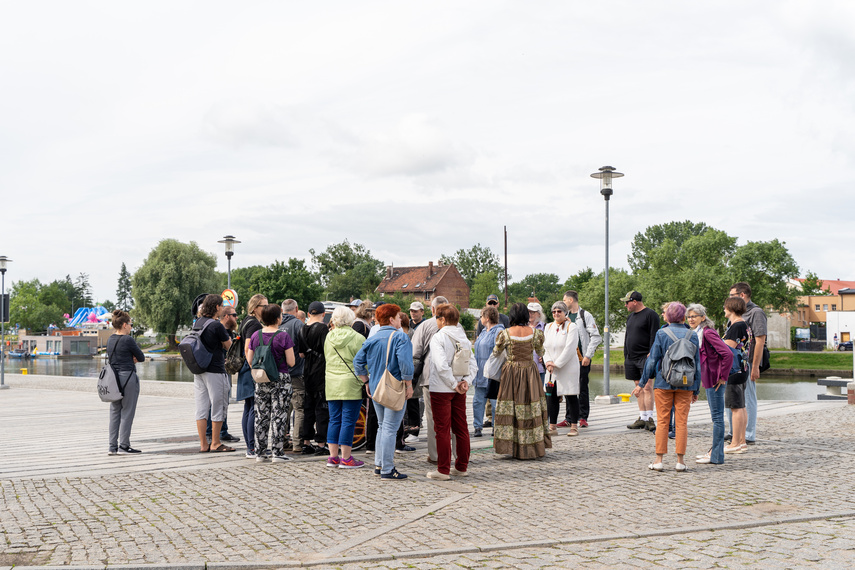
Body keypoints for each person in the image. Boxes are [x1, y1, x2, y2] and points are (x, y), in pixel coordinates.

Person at [633, 302, 700, 472]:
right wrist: (696, 389)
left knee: (663, 421)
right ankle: (680, 462)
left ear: (668, 317)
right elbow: (697, 365)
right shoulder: (692, 335)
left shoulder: (662, 333)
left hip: (664, 383)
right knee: (682, 422)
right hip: (685, 384)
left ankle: (659, 460)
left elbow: (652, 360)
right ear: (683, 317)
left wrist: (641, 384)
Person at [353, 303, 414, 480]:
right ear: (391, 319)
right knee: (389, 427)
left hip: (375, 386)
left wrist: (366, 381)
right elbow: (405, 364)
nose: (400, 319)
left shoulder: (371, 338)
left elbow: (358, 361)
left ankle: (379, 464)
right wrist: (409, 385)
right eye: (398, 316)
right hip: (394, 386)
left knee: (382, 426)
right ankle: (387, 468)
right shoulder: (400, 337)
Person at [492, 302, 551, 459]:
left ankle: (511, 446)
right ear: (526, 315)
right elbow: (541, 351)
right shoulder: (536, 333)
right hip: (530, 373)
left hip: (511, 372)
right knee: (530, 406)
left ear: (511, 316)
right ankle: (532, 446)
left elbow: (496, 351)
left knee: (510, 406)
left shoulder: (505, 333)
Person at [427, 304, 476, 480]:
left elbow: (441, 366)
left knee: (442, 429)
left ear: (442, 319)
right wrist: (465, 382)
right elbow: (473, 365)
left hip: (442, 388)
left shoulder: (438, 338)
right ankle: (462, 466)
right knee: (461, 426)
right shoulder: (464, 338)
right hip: (460, 388)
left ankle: (443, 469)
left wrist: (453, 383)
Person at [246, 303, 296, 463]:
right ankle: (277, 452)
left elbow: (249, 359)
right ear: (277, 318)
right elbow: (291, 362)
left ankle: (260, 452)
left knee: (261, 415)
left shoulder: (256, 336)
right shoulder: (283, 336)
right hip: (280, 379)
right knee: (279, 415)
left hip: (261, 379)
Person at [411, 296, 456, 464]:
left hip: (431, 377)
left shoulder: (424, 326)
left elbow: (415, 353)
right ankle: (456, 453)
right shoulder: (457, 326)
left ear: (432, 310)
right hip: (453, 377)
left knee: (433, 418)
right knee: (453, 416)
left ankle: (435, 454)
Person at [687, 303, 732, 465]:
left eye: (694, 316)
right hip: (709, 379)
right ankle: (715, 453)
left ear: (703, 317)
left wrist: (722, 377)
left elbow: (727, 354)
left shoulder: (707, 333)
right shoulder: (697, 333)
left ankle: (717, 456)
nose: (691, 319)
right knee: (716, 417)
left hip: (715, 380)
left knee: (717, 418)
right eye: (689, 317)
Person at [323, 306, 367, 469]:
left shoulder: (329, 337)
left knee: (334, 419)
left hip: (332, 382)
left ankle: (333, 457)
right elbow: (363, 362)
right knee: (348, 421)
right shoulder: (357, 337)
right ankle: (346, 458)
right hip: (351, 382)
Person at [192, 294, 235, 453]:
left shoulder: (198, 322)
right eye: (222, 305)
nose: (223, 308)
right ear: (217, 307)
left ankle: (204, 444)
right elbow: (229, 346)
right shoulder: (216, 326)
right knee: (218, 406)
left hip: (199, 369)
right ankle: (216, 442)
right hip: (215, 370)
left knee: (201, 408)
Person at [728, 282, 766, 445]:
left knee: (748, 396)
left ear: (741, 295)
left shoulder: (756, 312)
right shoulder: (736, 313)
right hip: (734, 363)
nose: (729, 299)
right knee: (733, 398)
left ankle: (748, 433)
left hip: (747, 361)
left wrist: (755, 366)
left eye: (732, 295)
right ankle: (733, 431)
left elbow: (760, 340)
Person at [560, 290, 602, 428]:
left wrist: (588, 355)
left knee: (582, 387)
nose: (563, 302)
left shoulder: (585, 315)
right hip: (568, 358)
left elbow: (596, 337)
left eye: (564, 300)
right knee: (568, 388)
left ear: (571, 300)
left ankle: (583, 417)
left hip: (581, 358)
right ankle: (569, 417)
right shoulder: (564, 316)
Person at [106, 310, 145, 455]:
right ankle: (124, 445)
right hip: (128, 377)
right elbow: (141, 357)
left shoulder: (110, 339)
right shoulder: (128, 340)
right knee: (127, 412)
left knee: (115, 411)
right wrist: (132, 358)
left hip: (113, 379)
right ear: (124, 325)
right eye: (130, 324)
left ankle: (112, 447)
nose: (131, 327)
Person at [622, 291, 660, 432]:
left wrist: (652, 353)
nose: (626, 305)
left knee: (647, 387)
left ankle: (649, 418)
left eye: (627, 302)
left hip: (645, 356)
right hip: (631, 357)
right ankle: (642, 417)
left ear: (635, 301)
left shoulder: (651, 315)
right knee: (638, 387)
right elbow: (627, 336)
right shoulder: (630, 317)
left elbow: (654, 335)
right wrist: (626, 354)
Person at [543, 301, 581, 436]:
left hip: (567, 366)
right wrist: (548, 362)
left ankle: (574, 426)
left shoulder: (572, 327)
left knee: (571, 395)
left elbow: (570, 348)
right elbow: (545, 347)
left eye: (559, 311)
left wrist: (557, 364)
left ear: (565, 313)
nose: (556, 314)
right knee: (551, 396)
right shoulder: (548, 327)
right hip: (551, 368)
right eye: (554, 311)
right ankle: (552, 426)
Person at [237, 294, 267, 458]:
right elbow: (249, 346)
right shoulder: (254, 324)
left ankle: (250, 446)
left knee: (248, 407)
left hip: (244, 369)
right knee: (253, 408)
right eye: (264, 306)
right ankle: (252, 447)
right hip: (251, 369)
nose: (266, 309)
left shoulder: (245, 320)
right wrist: (255, 369)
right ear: (255, 308)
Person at [205, 306, 240, 444]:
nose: (236, 318)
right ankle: (211, 432)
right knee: (214, 402)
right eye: (234, 315)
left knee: (223, 403)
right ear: (226, 316)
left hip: (224, 370)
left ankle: (222, 431)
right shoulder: (218, 330)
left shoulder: (229, 332)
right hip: (217, 371)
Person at [300, 301, 330, 454]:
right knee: (321, 408)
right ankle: (321, 443)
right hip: (320, 372)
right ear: (323, 314)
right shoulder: (323, 328)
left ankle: (306, 442)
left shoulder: (302, 329)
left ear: (309, 313)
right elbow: (328, 350)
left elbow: (301, 353)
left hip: (307, 371)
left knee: (308, 408)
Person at [723, 296, 751, 454]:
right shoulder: (744, 324)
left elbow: (728, 348)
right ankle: (742, 442)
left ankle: (735, 443)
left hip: (734, 370)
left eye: (725, 307)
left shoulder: (736, 326)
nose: (724, 309)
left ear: (731, 308)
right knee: (741, 406)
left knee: (736, 407)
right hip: (743, 368)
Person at [279, 299, 308, 454]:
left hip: (279, 374)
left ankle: (282, 441)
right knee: (299, 408)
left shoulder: (276, 324)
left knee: (284, 408)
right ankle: (297, 443)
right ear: (296, 309)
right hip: (296, 373)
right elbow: (305, 349)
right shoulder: (298, 325)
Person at [472, 305, 504, 437]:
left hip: (493, 373)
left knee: (495, 401)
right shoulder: (484, 332)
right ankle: (477, 426)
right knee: (477, 401)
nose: (480, 319)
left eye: (481, 317)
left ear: (486, 317)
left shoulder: (499, 331)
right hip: (480, 372)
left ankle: (496, 426)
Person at [528, 302, 547, 382]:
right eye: (528, 312)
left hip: (540, 368)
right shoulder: (523, 327)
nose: (530, 314)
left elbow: (549, 346)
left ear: (539, 314)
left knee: (539, 394)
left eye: (533, 312)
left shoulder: (546, 327)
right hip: (524, 369)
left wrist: (545, 357)